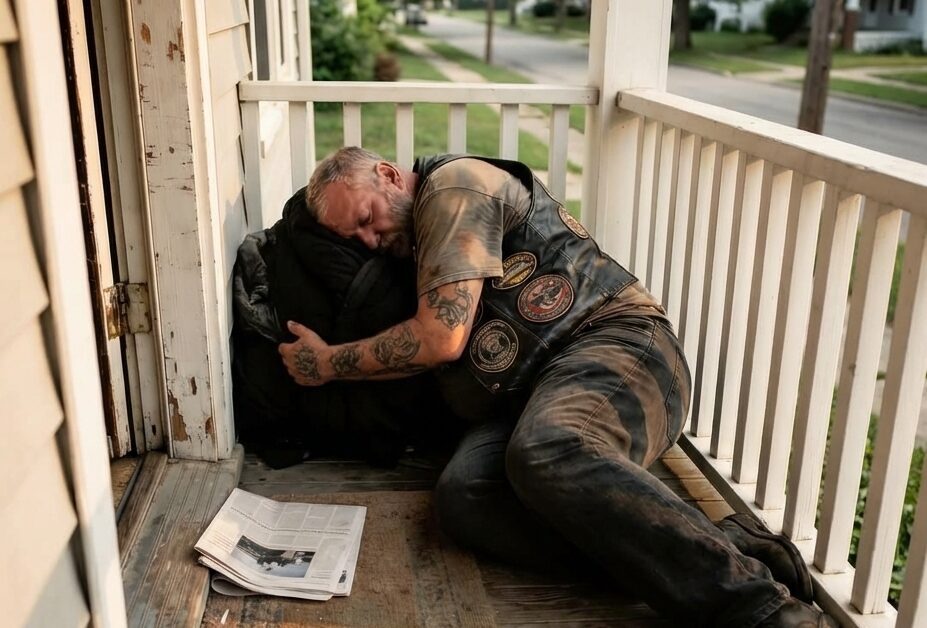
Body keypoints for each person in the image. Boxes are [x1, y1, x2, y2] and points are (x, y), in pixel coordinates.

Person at [278, 147, 837, 628]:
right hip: (529, 398)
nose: (371, 240)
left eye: (367, 218)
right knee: (465, 499)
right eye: (354, 237)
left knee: (549, 446)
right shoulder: (419, 241)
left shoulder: (453, 187)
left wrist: (327, 364)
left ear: (389, 175)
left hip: (620, 349)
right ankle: (730, 547)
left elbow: (440, 339)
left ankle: (765, 609)